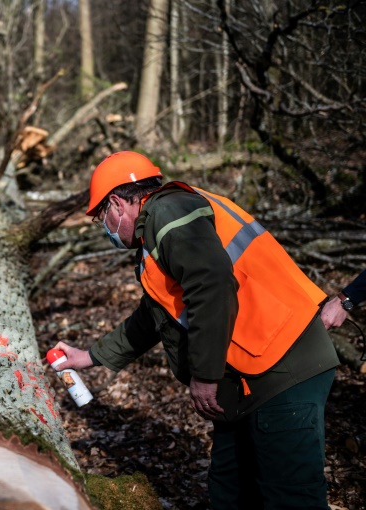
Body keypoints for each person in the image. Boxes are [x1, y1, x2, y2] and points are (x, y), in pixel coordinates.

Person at [51, 151, 340, 509]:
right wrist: (93, 356)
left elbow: (212, 285)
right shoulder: (165, 222)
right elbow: (156, 312)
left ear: (116, 204)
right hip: (251, 370)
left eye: (102, 219)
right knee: (229, 493)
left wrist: (205, 374)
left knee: (290, 499)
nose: (105, 228)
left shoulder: (168, 213)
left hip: (283, 364)